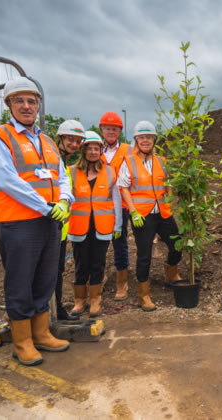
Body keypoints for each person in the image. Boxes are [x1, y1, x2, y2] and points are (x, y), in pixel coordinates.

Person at [0, 77, 72, 366]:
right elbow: (7, 180)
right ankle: (22, 342)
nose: (26, 106)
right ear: (9, 104)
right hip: (18, 222)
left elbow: (61, 175)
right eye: (19, 100)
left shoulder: (45, 140)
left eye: (31, 100)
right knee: (20, 281)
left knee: (45, 278)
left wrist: (65, 201)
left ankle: (41, 333)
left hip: (49, 220)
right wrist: (45, 206)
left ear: (38, 104)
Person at [119, 121, 182, 311]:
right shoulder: (128, 162)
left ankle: (171, 272)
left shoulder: (161, 161)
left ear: (154, 139)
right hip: (142, 215)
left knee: (177, 243)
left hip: (162, 212)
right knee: (144, 254)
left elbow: (168, 182)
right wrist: (133, 211)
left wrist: (170, 198)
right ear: (136, 140)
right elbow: (124, 187)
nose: (145, 140)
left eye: (149, 137)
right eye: (141, 137)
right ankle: (143, 295)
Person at [68, 131, 121, 318]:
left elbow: (116, 200)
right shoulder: (72, 171)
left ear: (101, 150)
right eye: (89, 148)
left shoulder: (109, 171)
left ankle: (95, 300)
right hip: (79, 226)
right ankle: (79, 301)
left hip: (102, 226)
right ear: (83, 151)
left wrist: (118, 225)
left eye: (96, 148)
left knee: (98, 263)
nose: (93, 151)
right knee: (81, 264)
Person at [54, 120, 86, 320]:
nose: (74, 145)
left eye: (77, 142)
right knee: (47, 273)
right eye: (70, 140)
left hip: (60, 229)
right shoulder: (52, 159)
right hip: (48, 225)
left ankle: (56, 310)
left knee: (57, 272)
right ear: (61, 138)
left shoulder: (64, 163)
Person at [99, 112, 132, 301]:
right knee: (99, 244)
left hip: (121, 205)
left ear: (120, 130)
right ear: (102, 129)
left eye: (114, 129)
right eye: (107, 128)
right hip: (99, 204)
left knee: (120, 243)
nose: (111, 132)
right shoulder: (94, 148)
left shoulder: (129, 150)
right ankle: (99, 277)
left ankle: (122, 282)